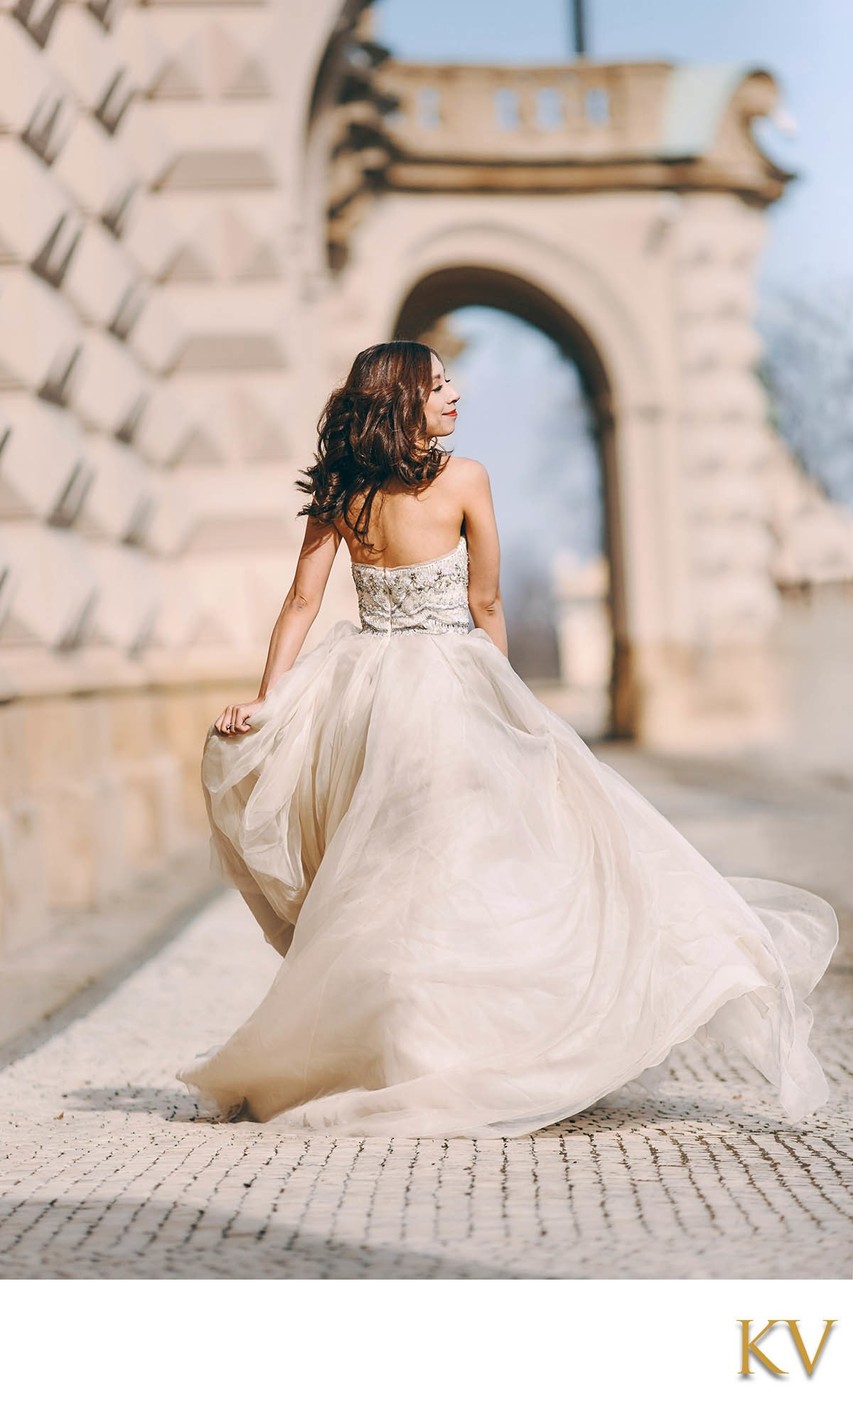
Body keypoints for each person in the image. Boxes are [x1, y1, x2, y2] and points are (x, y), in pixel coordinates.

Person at [176, 340, 839, 1138]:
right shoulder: (464, 479)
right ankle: (465, 1046)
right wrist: (505, 703)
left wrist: (268, 700)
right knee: (468, 865)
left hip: (362, 694)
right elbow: (486, 602)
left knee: (387, 873)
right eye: (438, 383)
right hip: (447, 683)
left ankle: (406, 1046)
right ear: (404, 400)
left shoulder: (343, 491)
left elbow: (298, 604)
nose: (455, 392)